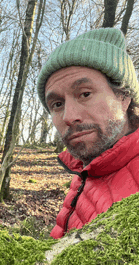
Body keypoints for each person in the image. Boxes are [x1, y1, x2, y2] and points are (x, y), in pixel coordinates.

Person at [37, 27, 139, 239]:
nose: (68, 116)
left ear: (124, 97)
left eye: (85, 94)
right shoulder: (88, 168)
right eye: (57, 104)